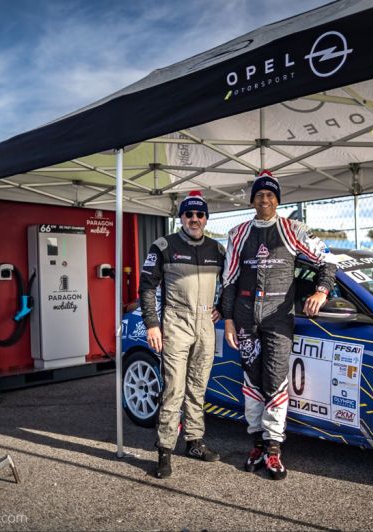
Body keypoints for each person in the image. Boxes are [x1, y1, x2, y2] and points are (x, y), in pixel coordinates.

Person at [221, 169, 336, 480]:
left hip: (278, 319)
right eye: (259, 195)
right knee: (251, 381)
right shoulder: (238, 233)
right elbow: (229, 282)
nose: (265, 199)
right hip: (245, 319)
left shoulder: (294, 229)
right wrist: (229, 320)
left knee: (275, 380)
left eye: (270, 195)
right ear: (252, 200)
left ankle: (273, 449)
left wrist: (321, 291)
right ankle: (256, 442)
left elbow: (327, 260)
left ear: (277, 200)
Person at [139, 191, 225, 479]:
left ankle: (194, 442)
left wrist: (222, 308)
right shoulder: (164, 245)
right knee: (174, 388)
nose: (194, 219)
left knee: (198, 386)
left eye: (200, 215)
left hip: (205, 325)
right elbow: (147, 286)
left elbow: (232, 283)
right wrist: (152, 324)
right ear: (181, 218)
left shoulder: (217, 249)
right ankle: (164, 450)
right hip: (176, 322)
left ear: (206, 218)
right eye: (189, 214)